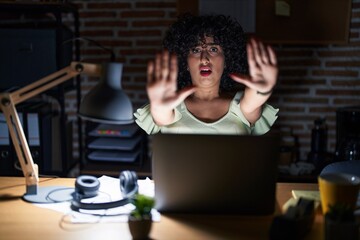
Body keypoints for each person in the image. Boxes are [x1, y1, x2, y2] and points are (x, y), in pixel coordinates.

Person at [134, 14, 278, 135]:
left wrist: (264, 89)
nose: (204, 58)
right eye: (196, 50)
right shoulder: (171, 105)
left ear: (226, 60)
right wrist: (158, 105)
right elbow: (161, 115)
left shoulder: (241, 107)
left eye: (213, 49)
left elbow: (254, 101)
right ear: (185, 62)